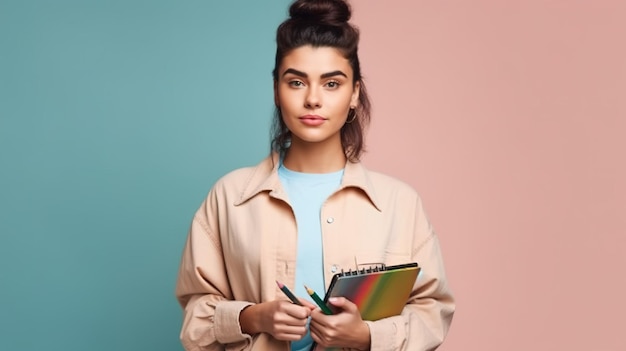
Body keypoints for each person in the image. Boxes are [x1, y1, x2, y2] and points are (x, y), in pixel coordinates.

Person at [175, 0, 455, 350]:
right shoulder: (229, 197)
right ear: (276, 89)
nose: (312, 100)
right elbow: (194, 319)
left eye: (331, 84)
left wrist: (366, 336)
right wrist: (253, 316)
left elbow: (433, 312)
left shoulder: (399, 203)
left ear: (354, 93)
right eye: (296, 82)